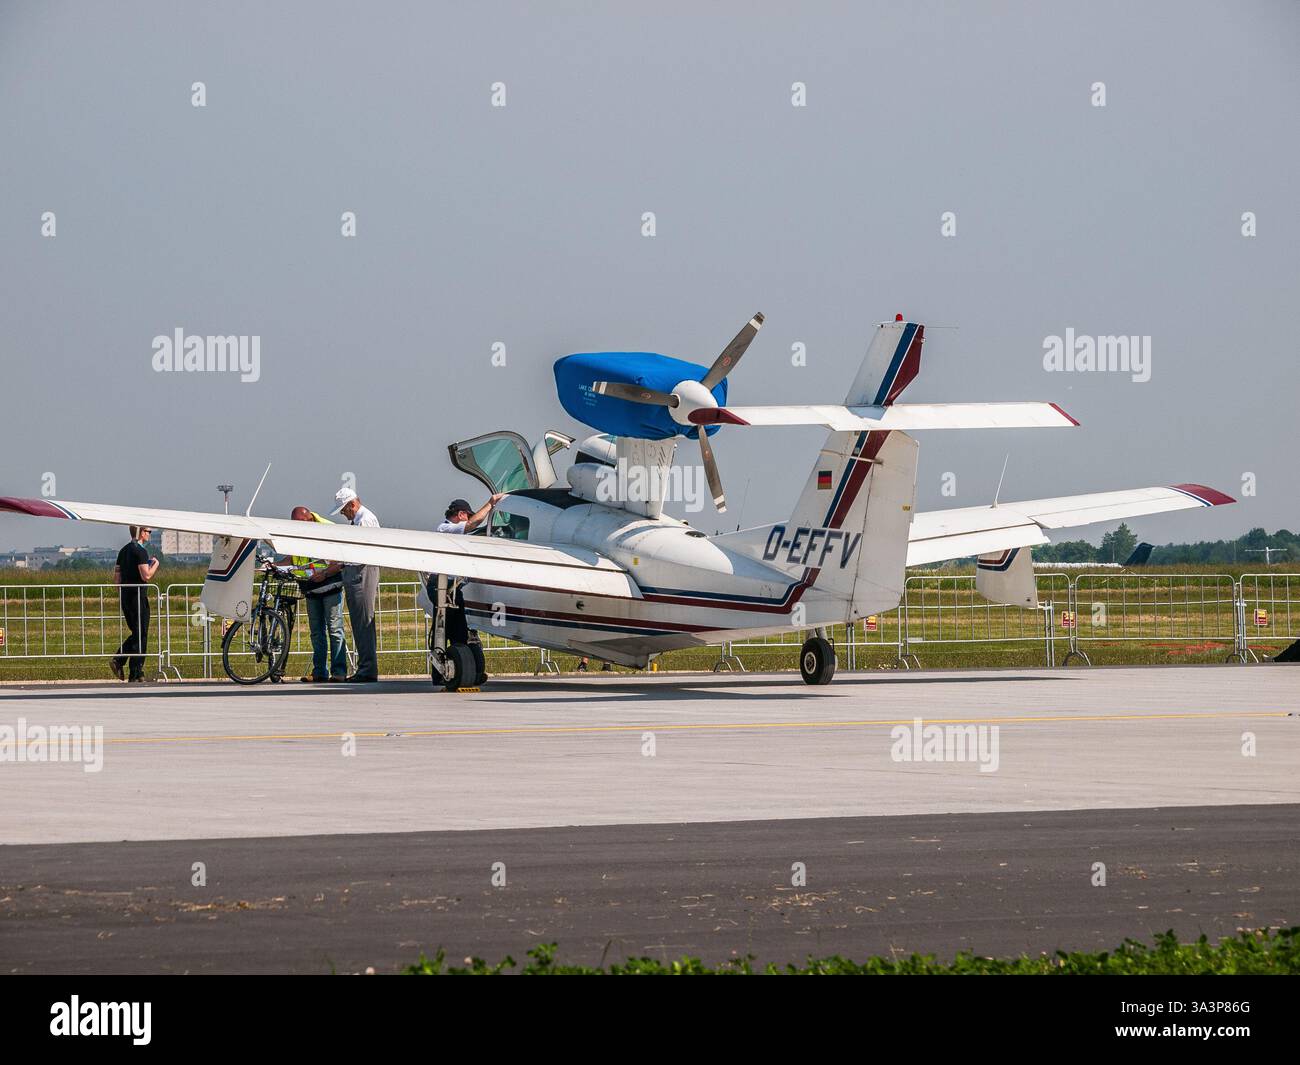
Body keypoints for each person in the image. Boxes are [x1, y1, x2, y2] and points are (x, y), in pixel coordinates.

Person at [276, 506, 347, 683]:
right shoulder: (299, 531)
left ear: (309, 520)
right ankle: (320, 672)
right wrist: (275, 565)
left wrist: (324, 574)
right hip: (310, 588)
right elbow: (294, 558)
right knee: (316, 632)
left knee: (334, 629)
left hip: (330, 587)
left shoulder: (328, 529)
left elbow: (341, 560)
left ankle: (339, 672)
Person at [432, 495, 503, 645]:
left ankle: (460, 652)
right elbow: (471, 524)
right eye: (468, 515)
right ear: (460, 514)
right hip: (442, 585)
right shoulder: (444, 528)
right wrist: (491, 503)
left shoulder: (456, 534)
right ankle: (440, 658)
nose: (469, 518)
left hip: (453, 588)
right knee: (443, 630)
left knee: (459, 631)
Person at [331, 487, 381, 682]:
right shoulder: (359, 520)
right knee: (360, 622)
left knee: (363, 621)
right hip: (356, 571)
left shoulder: (365, 520)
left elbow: (363, 552)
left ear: (353, 504)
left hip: (361, 571)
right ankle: (365, 667)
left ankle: (367, 669)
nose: (343, 514)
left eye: (344, 510)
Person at [110, 525, 159, 682]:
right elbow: (146, 575)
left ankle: (134, 671)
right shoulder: (140, 551)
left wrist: (122, 595)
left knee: (137, 632)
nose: (150, 534)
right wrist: (155, 564)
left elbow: (117, 577)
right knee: (141, 633)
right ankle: (125, 663)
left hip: (126, 595)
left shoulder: (123, 551)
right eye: (148, 531)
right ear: (142, 533)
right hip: (138, 596)